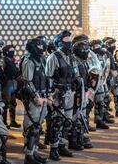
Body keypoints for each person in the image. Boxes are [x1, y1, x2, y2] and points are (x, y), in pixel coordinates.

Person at [45, 30, 76, 160]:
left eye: (70, 40)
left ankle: (63, 145)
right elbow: (48, 78)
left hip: (70, 93)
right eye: (66, 40)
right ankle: (54, 149)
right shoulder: (53, 57)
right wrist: (50, 95)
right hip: (58, 95)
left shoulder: (71, 57)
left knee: (67, 121)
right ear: (59, 42)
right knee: (57, 121)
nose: (69, 42)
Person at [21, 37, 52, 164]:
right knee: (32, 128)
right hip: (34, 99)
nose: (41, 48)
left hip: (43, 96)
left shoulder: (42, 59)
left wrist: (49, 95)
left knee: (38, 127)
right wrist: (36, 97)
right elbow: (27, 82)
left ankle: (34, 152)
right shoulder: (29, 61)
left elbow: (46, 78)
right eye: (38, 46)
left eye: (42, 45)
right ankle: (28, 156)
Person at [1, 44, 20, 128]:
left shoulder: (11, 60)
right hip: (7, 84)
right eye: (11, 50)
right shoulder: (4, 60)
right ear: (6, 51)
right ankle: (4, 122)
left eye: (13, 50)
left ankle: (13, 121)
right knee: (5, 103)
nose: (13, 52)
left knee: (13, 103)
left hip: (13, 83)